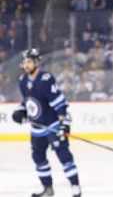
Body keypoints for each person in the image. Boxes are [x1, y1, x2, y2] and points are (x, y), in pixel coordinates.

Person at [12, 49, 82, 197]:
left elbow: (60, 104)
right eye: (24, 62)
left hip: (52, 125)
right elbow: (27, 102)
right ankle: (48, 189)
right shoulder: (22, 81)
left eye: (29, 61)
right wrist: (20, 111)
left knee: (63, 155)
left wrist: (64, 124)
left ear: (37, 62)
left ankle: (75, 186)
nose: (26, 65)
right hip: (37, 128)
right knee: (38, 158)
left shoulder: (46, 79)